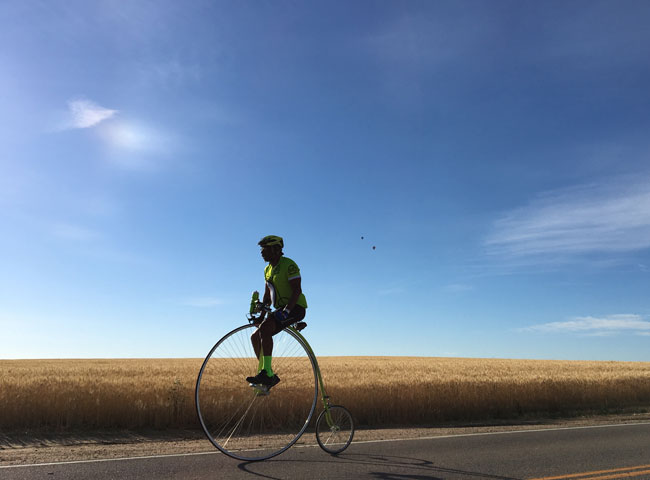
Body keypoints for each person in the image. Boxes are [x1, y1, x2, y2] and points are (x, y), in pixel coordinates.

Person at [246, 235, 308, 388]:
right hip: (280, 309)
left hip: (295, 308)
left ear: (276, 249)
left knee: (266, 329)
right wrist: (260, 315)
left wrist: (287, 311)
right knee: (255, 337)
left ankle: (266, 372)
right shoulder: (267, 270)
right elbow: (267, 297)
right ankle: (267, 373)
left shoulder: (289, 265)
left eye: (265, 249)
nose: (261, 252)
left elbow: (297, 290)